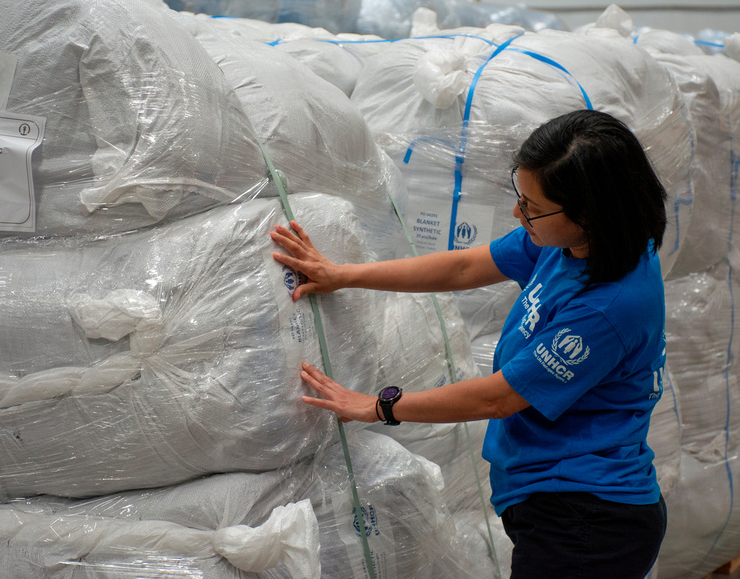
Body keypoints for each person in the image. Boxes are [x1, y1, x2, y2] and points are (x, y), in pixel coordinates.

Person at [270, 109, 668, 579]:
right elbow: (462, 268)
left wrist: (377, 405)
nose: (520, 214)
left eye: (533, 208)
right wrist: (343, 275)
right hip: (557, 501)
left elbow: (498, 397)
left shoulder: (610, 304)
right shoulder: (572, 245)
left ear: (588, 214)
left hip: (586, 519)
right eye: (520, 197)